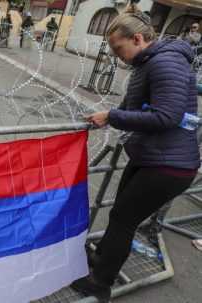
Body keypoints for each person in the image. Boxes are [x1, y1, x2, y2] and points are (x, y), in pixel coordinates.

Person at [72, 3, 200, 302]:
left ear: (138, 40)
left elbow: (166, 116)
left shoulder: (163, 63)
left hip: (169, 165)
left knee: (123, 220)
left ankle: (100, 283)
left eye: (119, 49)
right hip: (152, 157)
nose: (118, 57)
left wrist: (112, 116)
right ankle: (103, 260)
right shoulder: (150, 62)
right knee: (120, 215)